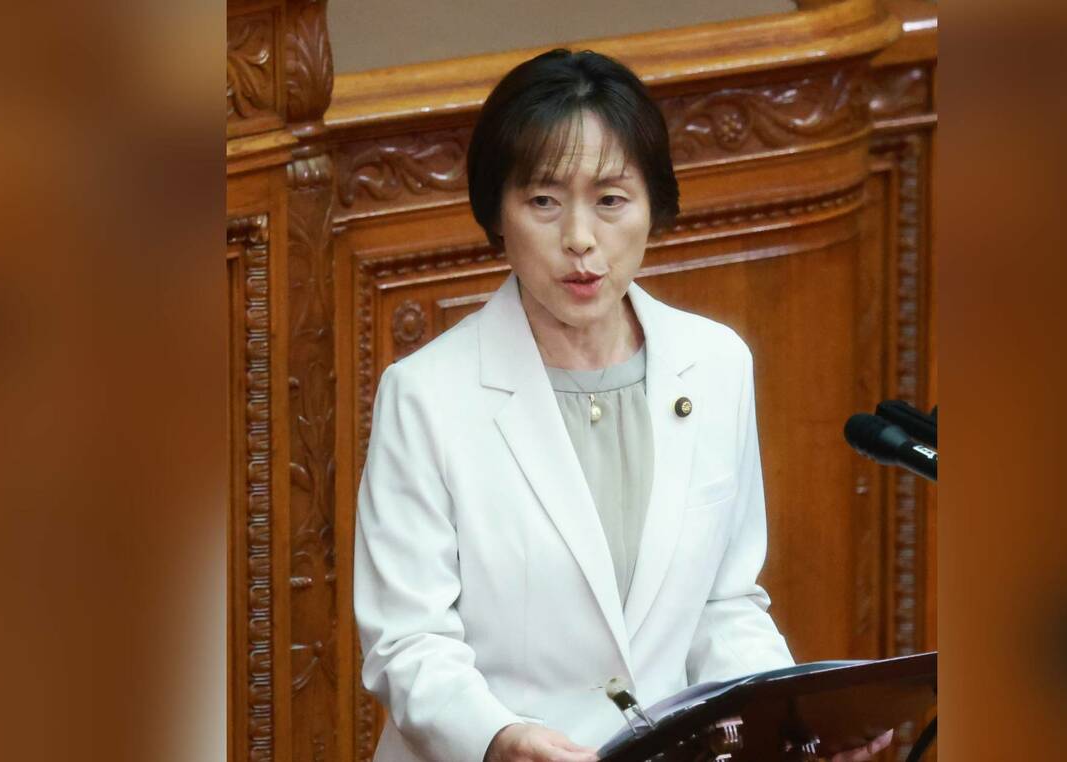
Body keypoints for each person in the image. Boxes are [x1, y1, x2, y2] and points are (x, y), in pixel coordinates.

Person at [354, 49, 892, 762]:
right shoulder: (426, 395)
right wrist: (499, 738)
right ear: (497, 214)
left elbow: (723, 605)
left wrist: (796, 726)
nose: (580, 239)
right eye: (544, 201)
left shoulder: (716, 364)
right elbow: (408, 642)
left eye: (610, 200)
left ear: (653, 207)